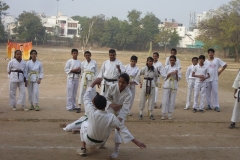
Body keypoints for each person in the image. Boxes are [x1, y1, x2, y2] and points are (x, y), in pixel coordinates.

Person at [105, 73, 146, 158]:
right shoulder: (112, 87)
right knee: (105, 125)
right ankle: (102, 142)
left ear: (127, 84)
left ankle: (116, 151)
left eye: (123, 83)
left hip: (121, 111)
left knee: (119, 129)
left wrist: (119, 119)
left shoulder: (128, 93)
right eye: (119, 81)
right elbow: (106, 98)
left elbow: (126, 107)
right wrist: (112, 105)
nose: (120, 84)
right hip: (111, 108)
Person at [77, 78, 120, 156]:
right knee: (110, 126)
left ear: (94, 105)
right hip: (102, 141)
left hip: (89, 140)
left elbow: (86, 97)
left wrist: (93, 83)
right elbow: (120, 128)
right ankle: (102, 145)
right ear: (105, 104)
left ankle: (83, 148)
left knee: (84, 124)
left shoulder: (91, 112)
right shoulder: (111, 116)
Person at [161, 55, 181, 120]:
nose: (172, 61)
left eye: (173, 60)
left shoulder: (177, 68)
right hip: (167, 84)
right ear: (169, 60)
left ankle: (169, 114)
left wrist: (176, 74)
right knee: (165, 100)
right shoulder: (166, 67)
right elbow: (164, 77)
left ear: (175, 61)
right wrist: (169, 74)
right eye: (171, 60)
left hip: (174, 85)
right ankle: (163, 114)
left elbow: (178, 79)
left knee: (172, 100)